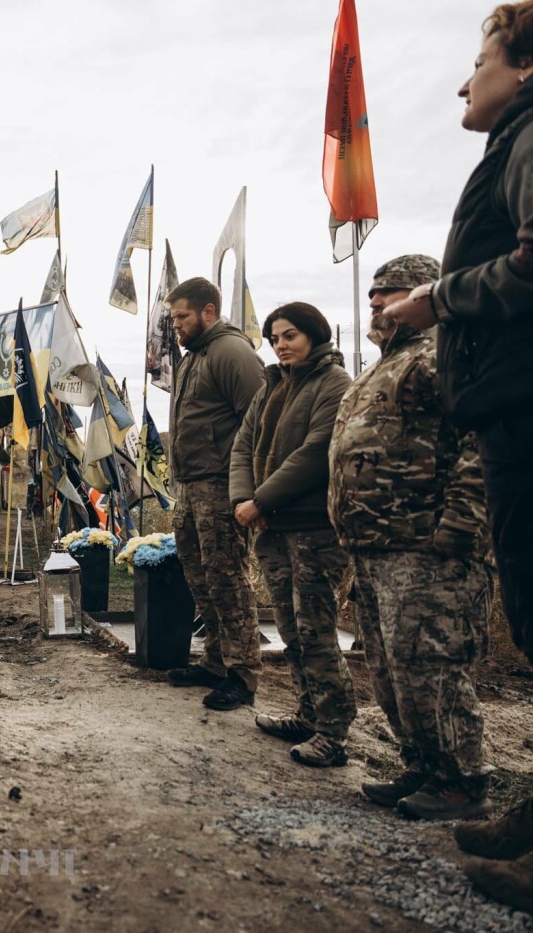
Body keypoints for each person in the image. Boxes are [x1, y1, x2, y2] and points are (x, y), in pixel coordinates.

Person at [384, 0, 533, 911]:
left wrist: (439, 300)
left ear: (527, 63)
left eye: (480, 57)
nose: (462, 79)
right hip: (522, 407)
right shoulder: (527, 137)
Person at [329, 254, 494, 817]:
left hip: (428, 547)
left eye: (389, 293)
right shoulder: (382, 367)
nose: (374, 302)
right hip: (376, 547)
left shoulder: (445, 356)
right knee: (389, 669)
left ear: (424, 300)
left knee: (431, 666)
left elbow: (481, 441)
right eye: (372, 293)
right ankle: (420, 765)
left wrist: (462, 523)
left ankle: (460, 781)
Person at [230, 302, 355, 767]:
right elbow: (244, 444)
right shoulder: (272, 386)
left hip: (314, 530)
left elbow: (315, 451)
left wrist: (260, 500)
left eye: (290, 336)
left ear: (315, 335)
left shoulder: (334, 385)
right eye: (275, 338)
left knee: (316, 630)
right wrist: (245, 501)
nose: (281, 345)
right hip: (273, 526)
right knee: (290, 629)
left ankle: (333, 731)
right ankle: (307, 713)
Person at [162, 277, 266, 711]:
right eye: (173, 319)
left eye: (182, 317)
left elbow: (259, 422)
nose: (176, 326)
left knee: (227, 579)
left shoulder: (232, 353)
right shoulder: (192, 359)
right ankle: (216, 660)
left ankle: (243, 674)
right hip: (190, 486)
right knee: (200, 577)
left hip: (222, 488)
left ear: (208, 311)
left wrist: (248, 492)